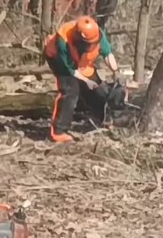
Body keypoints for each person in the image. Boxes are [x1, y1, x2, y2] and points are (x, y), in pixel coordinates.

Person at [43, 15, 121, 143]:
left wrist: (116, 72)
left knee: (97, 88)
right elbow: (70, 70)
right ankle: (59, 131)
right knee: (70, 91)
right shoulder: (63, 40)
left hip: (83, 62)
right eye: (88, 44)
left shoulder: (97, 34)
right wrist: (86, 81)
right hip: (60, 60)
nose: (91, 46)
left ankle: (104, 119)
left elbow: (107, 54)